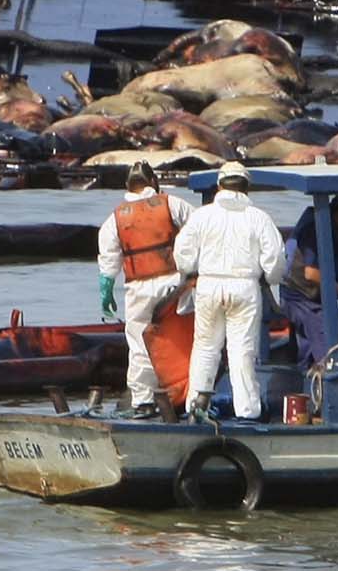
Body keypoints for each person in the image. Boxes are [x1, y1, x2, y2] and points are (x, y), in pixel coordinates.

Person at [172, 161, 286, 421]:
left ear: (220, 186)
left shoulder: (202, 216)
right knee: (242, 351)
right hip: (245, 287)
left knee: (205, 348)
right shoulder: (259, 218)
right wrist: (271, 278)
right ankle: (248, 411)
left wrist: (192, 269)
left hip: (209, 285)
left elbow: (183, 256)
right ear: (246, 187)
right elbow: (276, 261)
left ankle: (195, 406)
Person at [97, 160, 194, 417]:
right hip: (172, 283)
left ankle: (143, 400)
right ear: (153, 182)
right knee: (177, 337)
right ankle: (183, 391)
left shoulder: (115, 219)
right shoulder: (171, 203)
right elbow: (198, 228)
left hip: (137, 288)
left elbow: (108, 259)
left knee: (139, 343)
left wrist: (106, 289)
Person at [279, 197, 338, 370]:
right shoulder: (316, 230)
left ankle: (306, 383)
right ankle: (327, 380)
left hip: (312, 297)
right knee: (327, 350)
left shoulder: (337, 233)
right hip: (300, 298)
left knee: (308, 352)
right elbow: (311, 274)